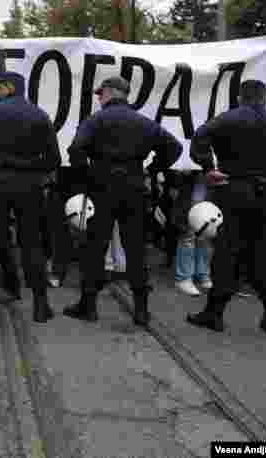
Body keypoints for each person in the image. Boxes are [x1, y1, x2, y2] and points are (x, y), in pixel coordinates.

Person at [186, 79, 266, 335]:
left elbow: (200, 136)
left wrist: (209, 167)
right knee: (262, 256)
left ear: (240, 97)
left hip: (231, 192)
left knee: (226, 253)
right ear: (264, 98)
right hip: (265, 196)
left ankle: (214, 313)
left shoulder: (227, 119)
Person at [64, 76, 183, 326]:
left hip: (102, 187)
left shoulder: (95, 120)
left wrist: (86, 177)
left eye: (100, 93)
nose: (99, 97)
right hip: (134, 188)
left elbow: (76, 150)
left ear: (109, 92)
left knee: (95, 247)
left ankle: (88, 305)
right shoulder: (143, 122)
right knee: (136, 249)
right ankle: (141, 310)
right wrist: (152, 169)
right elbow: (174, 148)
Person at [0, 71, 61, 323]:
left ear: (9, 87)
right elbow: (54, 159)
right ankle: (40, 305)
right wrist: (33, 170)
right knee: (32, 244)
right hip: (30, 187)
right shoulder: (40, 115)